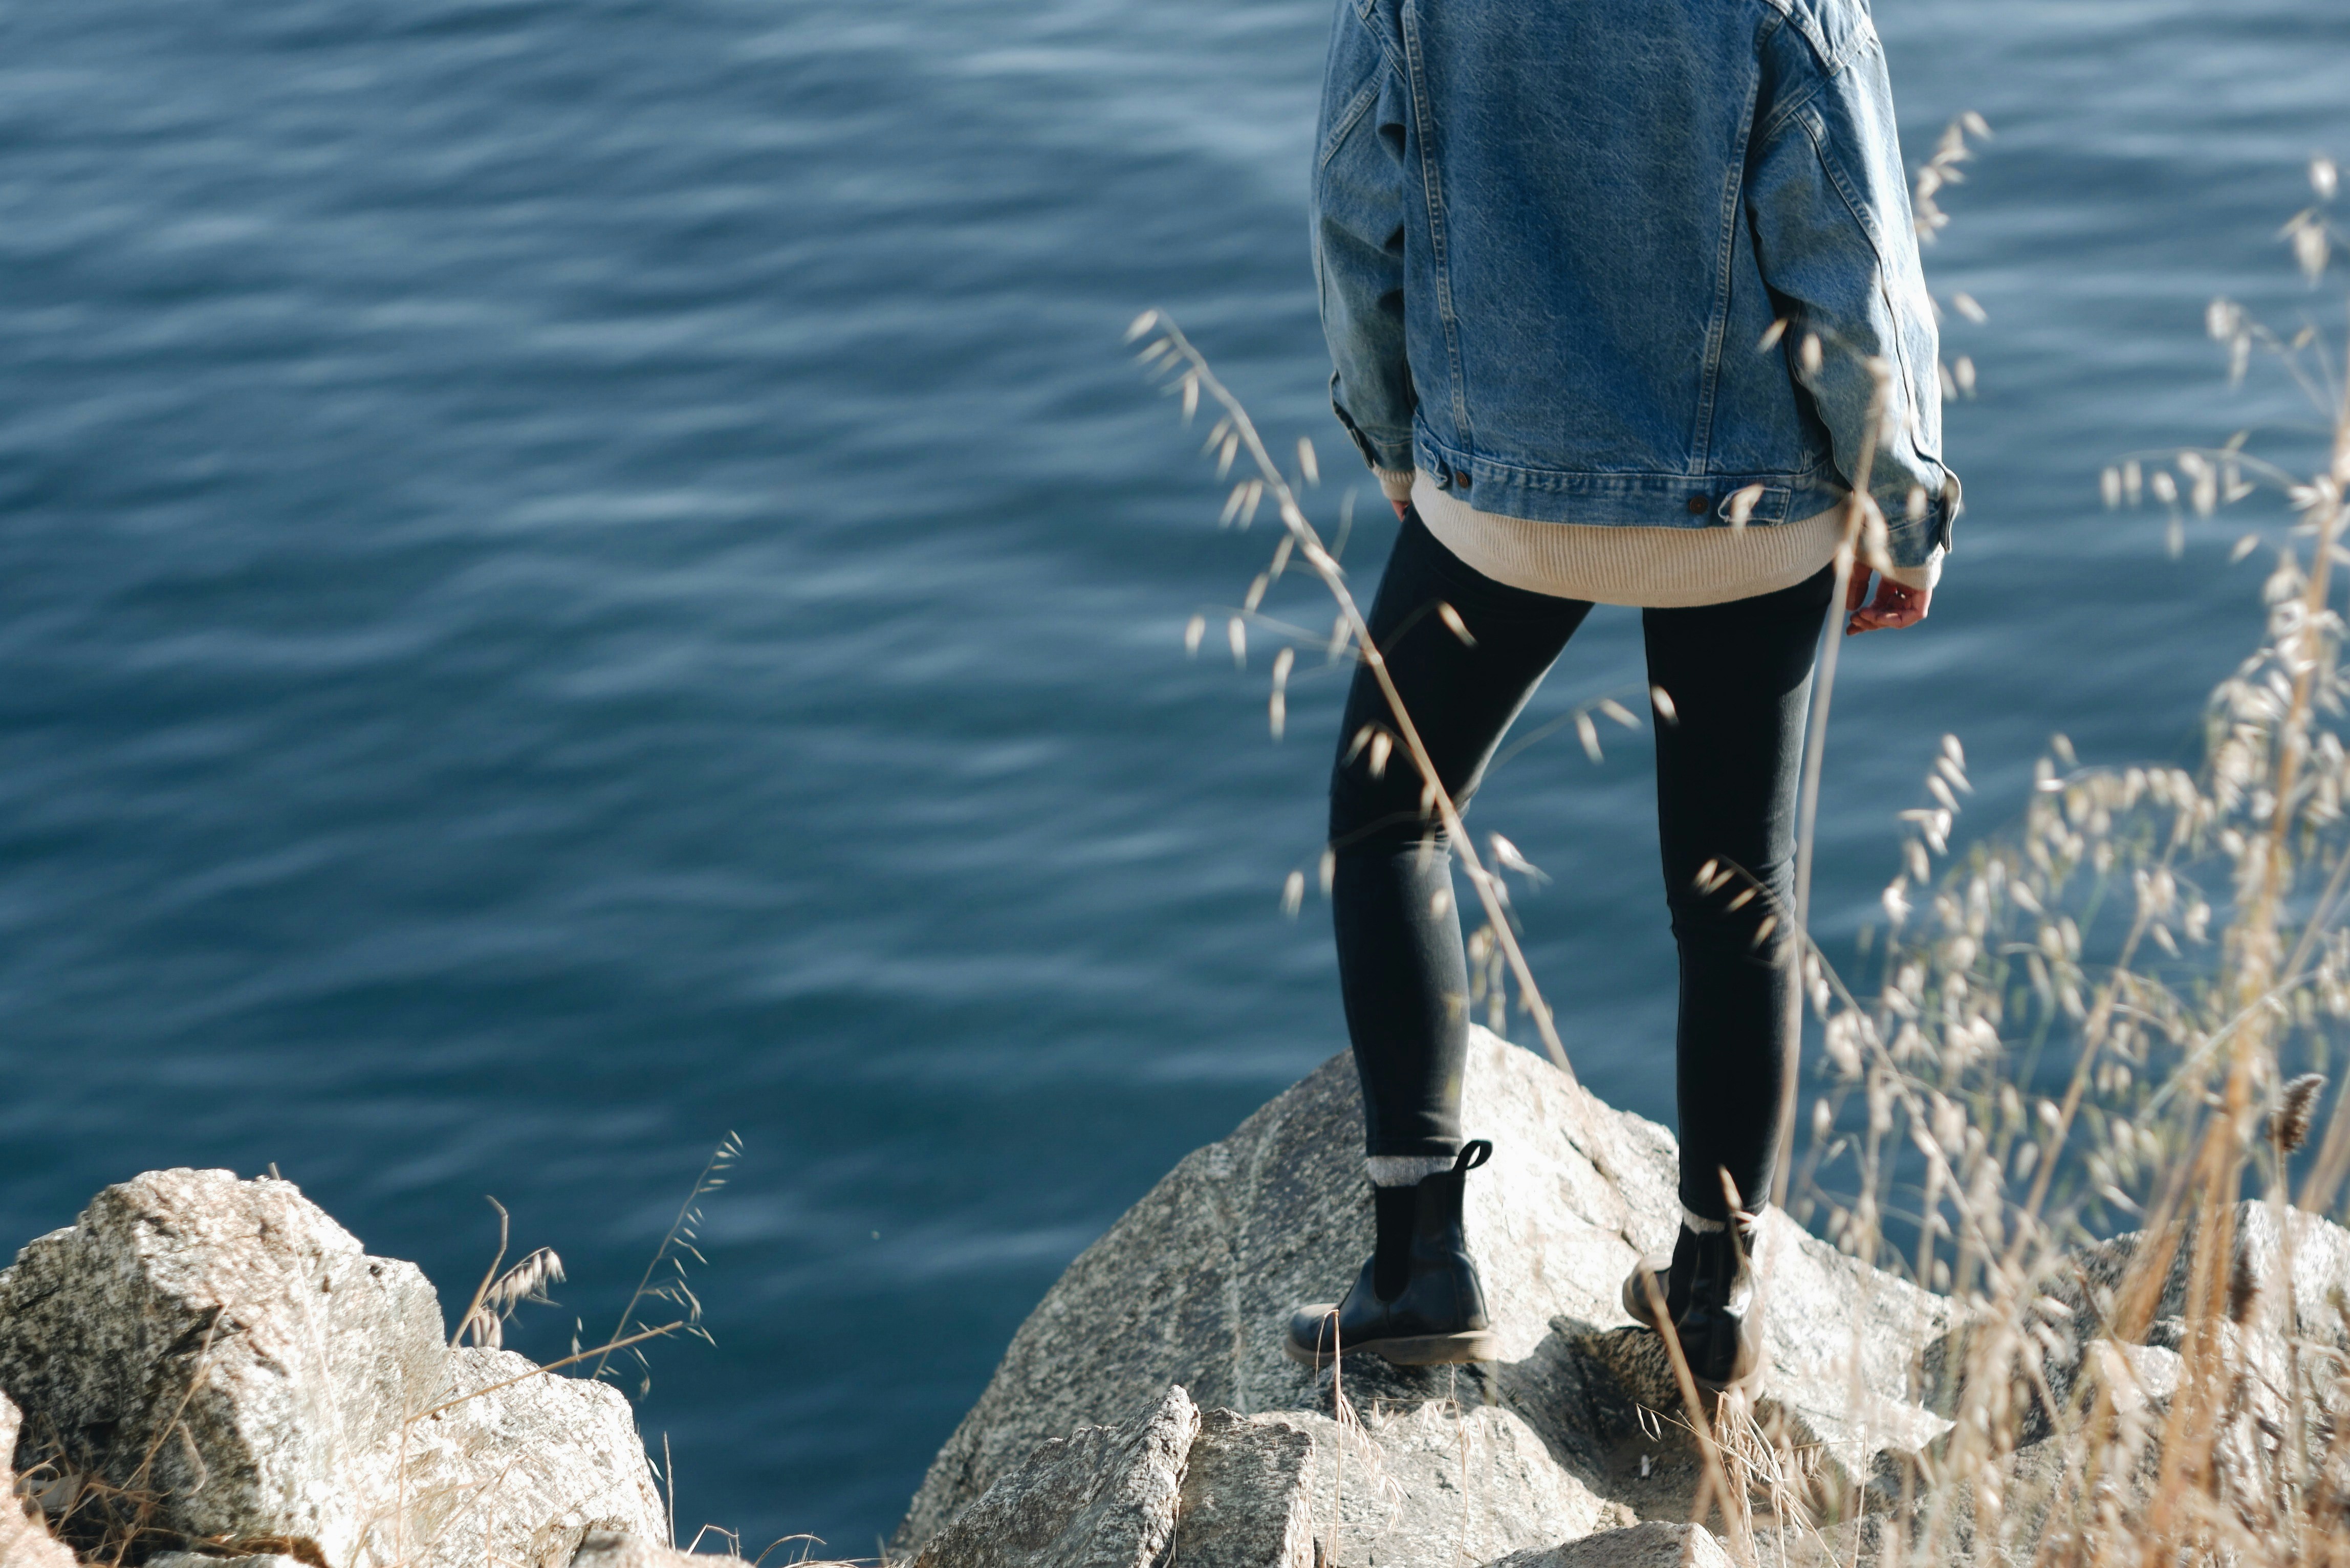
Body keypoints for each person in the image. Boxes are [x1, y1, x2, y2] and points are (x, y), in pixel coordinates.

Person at [1279, 0, 1957, 1391]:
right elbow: (1857, 252)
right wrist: (1901, 498)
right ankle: (1715, 1294)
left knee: (1387, 820)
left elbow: (1358, 196)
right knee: (1734, 891)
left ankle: (1420, 1263)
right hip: (1751, 504)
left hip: (1502, 493)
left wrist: (1393, 433)